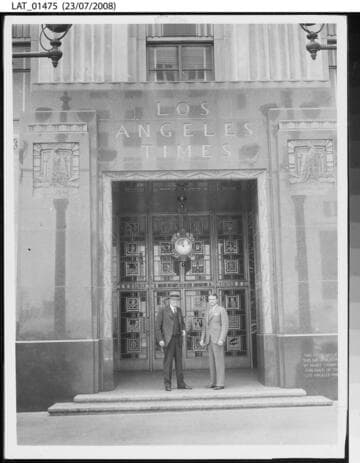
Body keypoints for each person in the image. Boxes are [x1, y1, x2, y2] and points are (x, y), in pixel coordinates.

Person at [155, 291, 192, 391]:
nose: (175, 301)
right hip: (168, 340)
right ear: (170, 300)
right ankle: (167, 384)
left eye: (177, 300)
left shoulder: (179, 310)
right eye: (173, 300)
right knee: (168, 363)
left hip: (178, 339)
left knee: (179, 363)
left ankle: (181, 384)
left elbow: (182, 323)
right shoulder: (163, 310)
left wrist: (183, 330)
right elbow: (157, 327)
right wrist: (160, 340)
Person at [200, 293, 229, 390]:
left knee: (219, 362)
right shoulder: (207, 311)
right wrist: (202, 338)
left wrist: (222, 338)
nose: (211, 301)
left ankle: (220, 383)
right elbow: (205, 326)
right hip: (209, 340)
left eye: (213, 299)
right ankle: (213, 382)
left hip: (217, 340)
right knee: (212, 363)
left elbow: (225, 325)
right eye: (209, 299)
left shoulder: (221, 310)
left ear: (217, 300)